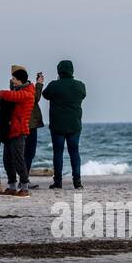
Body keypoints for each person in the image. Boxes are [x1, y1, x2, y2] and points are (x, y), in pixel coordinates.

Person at [41, 59, 86, 189]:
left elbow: (45, 95)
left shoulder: (54, 85)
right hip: (74, 124)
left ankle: (58, 182)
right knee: (74, 152)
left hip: (57, 125)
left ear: (59, 71)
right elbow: (83, 95)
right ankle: (77, 182)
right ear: (72, 70)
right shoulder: (80, 85)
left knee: (58, 153)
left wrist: (57, 81)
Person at [0, 67, 37, 196]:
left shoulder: (28, 93)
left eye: (14, 79)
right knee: (7, 160)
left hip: (19, 131)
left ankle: (25, 187)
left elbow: (13, 96)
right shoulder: (18, 90)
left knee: (18, 159)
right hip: (10, 130)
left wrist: (1, 93)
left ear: (20, 80)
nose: (12, 81)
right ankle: (12, 186)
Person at [16, 65, 44, 186]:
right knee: (27, 152)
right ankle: (24, 179)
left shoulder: (21, 86)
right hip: (28, 124)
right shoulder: (23, 88)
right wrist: (39, 84)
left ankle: (24, 178)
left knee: (27, 152)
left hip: (27, 123)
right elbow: (35, 98)